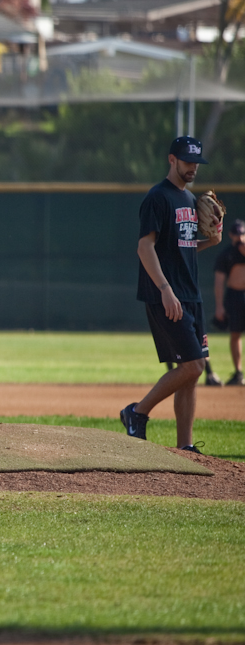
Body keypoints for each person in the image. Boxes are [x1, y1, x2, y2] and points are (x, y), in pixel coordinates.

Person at [120, 136, 223, 452]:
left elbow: (184, 248)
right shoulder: (158, 198)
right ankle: (136, 412)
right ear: (172, 160)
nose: (192, 167)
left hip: (190, 296)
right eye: (187, 161)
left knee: (191, 374)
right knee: (194, 367)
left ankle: (185, 446)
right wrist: (165, 290)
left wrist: (212, 241)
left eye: (196, 162)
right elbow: (144, 246)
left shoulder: (191, 200)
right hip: (166, 295)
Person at [212, 218, 245, 386]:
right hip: (235, 296)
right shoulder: (226, 255)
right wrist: (219, 307)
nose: (239, 238)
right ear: (231, 235)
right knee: (235, 334)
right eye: (237, 234)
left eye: (242, 234)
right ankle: (239, 372)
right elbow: (219, 283)